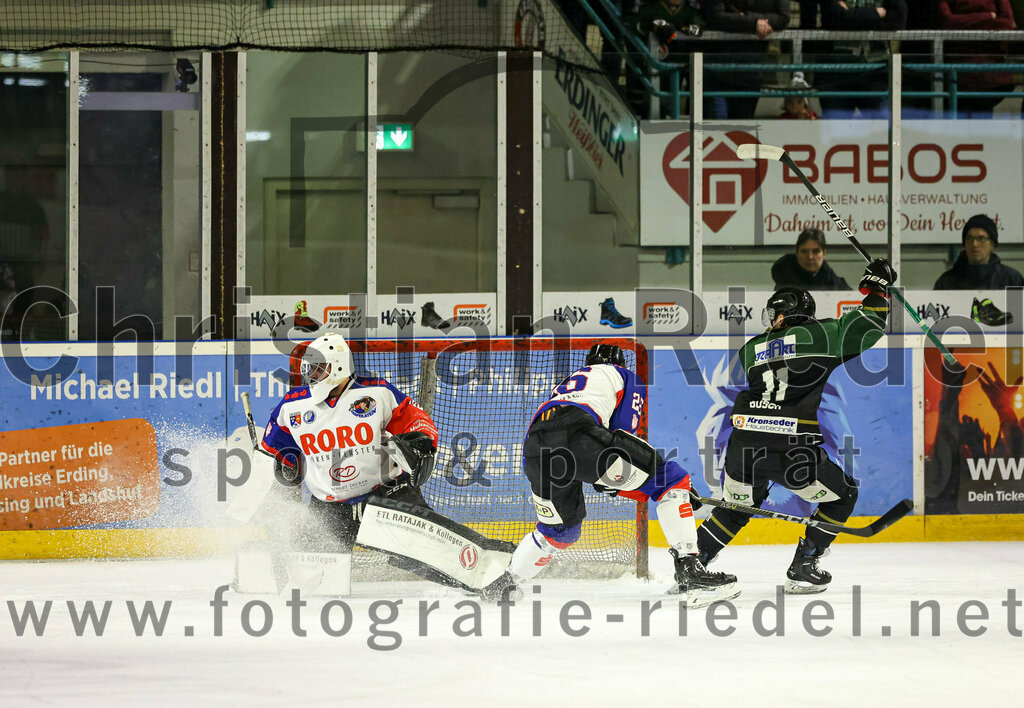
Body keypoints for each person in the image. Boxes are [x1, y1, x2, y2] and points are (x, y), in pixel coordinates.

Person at [256, 332, 514, 593]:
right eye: (310, 368)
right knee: (309, 573)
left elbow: (416, 419)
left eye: (320, 368)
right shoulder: (292, 407)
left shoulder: (377, 392)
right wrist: (275, 482)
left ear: (339, 367)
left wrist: (422, 440)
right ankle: (252, 575)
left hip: (386, 493)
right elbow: (279, 455)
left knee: (425, 549)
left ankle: (494, 572)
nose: (313, 375)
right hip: (330, 508)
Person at [483, 344, 739, 606]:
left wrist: (628, 483)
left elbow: (605, 462)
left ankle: (504, 583)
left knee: (560, 530)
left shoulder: (568, 384)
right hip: (579, 434)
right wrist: (675, 491)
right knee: (671, 479)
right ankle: (690, 571)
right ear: (620, 363)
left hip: (535, 448)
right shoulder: (624, 376)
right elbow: (622, 436)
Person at [695, 260, 895, 593]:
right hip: (792, 451)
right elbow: (870, 324)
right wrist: (877, 288)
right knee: (842, 495)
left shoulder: (750, 349)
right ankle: (805, 563)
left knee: (737, 507)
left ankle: (693, 562)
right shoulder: (821, 335)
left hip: (744, 448)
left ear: (781, 315)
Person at [700, 0, 791, 119]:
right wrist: (753, 23)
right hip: (716, 70)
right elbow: (715, 17)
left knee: (741, 131)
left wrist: (754, 21)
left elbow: (783, 18)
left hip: (751, 72)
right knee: (715, 127)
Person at [934, 214, 1024, 290]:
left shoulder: (1010, 280)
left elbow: (1016, 310)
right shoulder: (946, 282)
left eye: (981, 239)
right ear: (964, 243)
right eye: (969, 238)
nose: (974, 244)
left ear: (992, 244)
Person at [771, 228, 851, 290]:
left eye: (816, 251)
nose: (810, 257)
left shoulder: (829, 278)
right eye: (804, 251)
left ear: (824, 253)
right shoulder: (783, 275)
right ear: (797, 253)